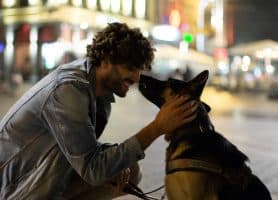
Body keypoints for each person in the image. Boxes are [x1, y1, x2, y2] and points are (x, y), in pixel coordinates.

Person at [0, 23, 198, 200]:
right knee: (108, 170)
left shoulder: (99, 92)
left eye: (140, 69)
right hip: (16, 188)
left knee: (128, 171)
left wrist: (110, 160)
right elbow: (92, 169)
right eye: (130, 67)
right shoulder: (68, 90)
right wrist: (157, 127)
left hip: (45, 174)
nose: (137, 78)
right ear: (104, 60)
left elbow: (84, 147)